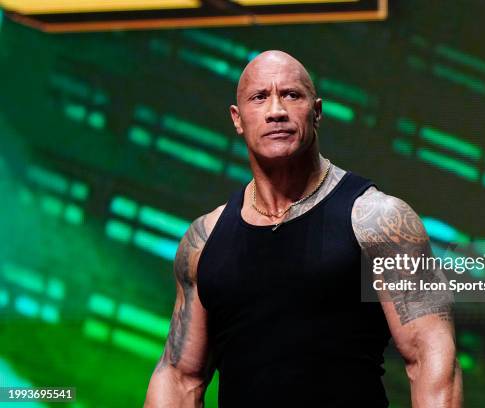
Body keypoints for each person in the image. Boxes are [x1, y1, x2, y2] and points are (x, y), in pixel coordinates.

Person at [144, 50, 462, 407]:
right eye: (259, 97)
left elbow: (431, 358)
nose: (276, 110)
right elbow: (179, 376)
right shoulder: (204, 239)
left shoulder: (379, 219)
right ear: (237, 118)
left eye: (291, 95)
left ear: (317, 111)